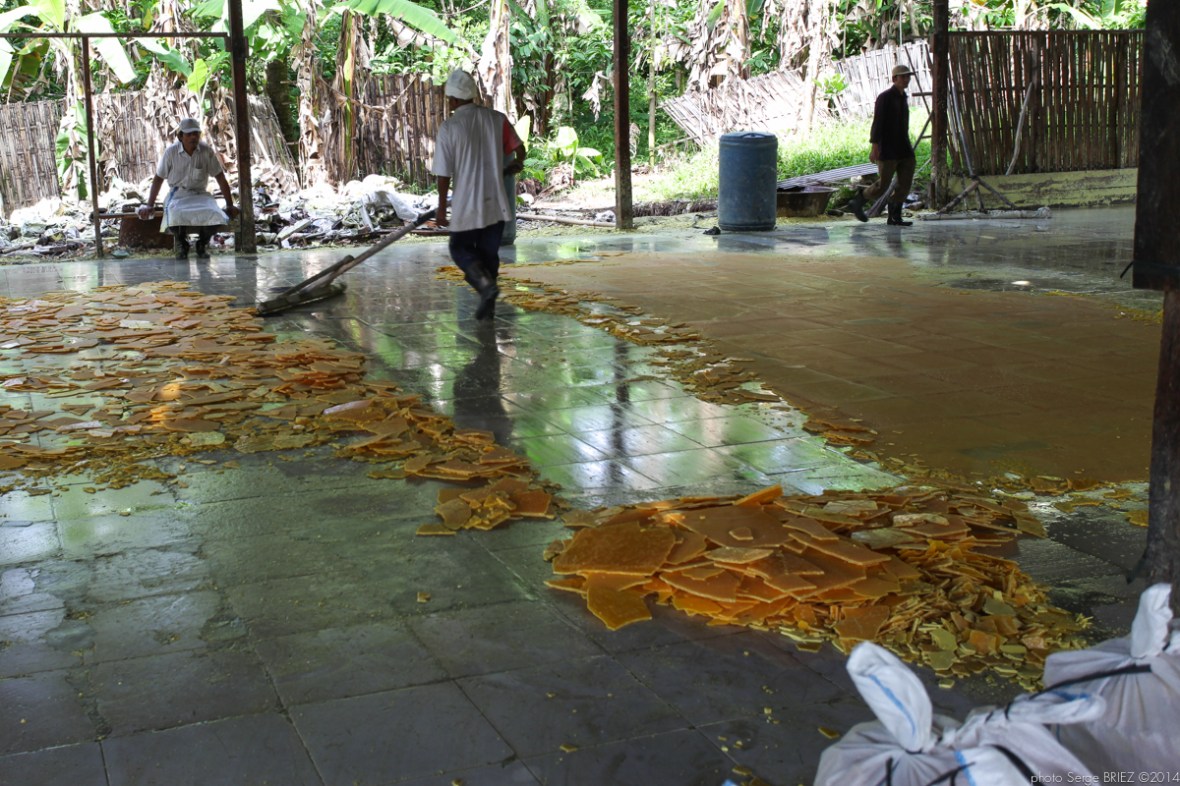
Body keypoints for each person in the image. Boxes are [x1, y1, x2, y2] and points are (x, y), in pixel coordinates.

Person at [431, 69, 526, 320]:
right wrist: (515, 165)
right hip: (495, 201)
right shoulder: (496, 119)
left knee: (460, 248)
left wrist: (441, 209)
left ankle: (484, 286)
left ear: (453, 100)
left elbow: (443, 174)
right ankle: (489, 303)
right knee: (488, 254)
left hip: (467, 204)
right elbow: (520, 149)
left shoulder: (449, 127)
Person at [138, 117, 239, 259]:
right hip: (177, 195)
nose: (193, 137)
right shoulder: (170, 153)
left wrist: (229, 204)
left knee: (215, 214)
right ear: (180, 136)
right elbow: (158, 179)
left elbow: (220, 178)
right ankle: (182, 244)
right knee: (174, 214)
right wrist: (150, 204)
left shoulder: (206, 151)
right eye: (189, 134)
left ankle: (202, 244)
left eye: (196, 133)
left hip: (200, 195)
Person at [848, 64, 916, 227]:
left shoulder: (903, 97)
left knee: (905, 182)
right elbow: (877, 123)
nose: (906, 79)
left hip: (903, 146)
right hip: (888, 148)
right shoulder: (885, 97)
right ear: (894, 79)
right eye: (903, 76)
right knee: (883, 184)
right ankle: (859, 200)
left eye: (908, 76)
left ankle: (895, 216)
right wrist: (875, 147)